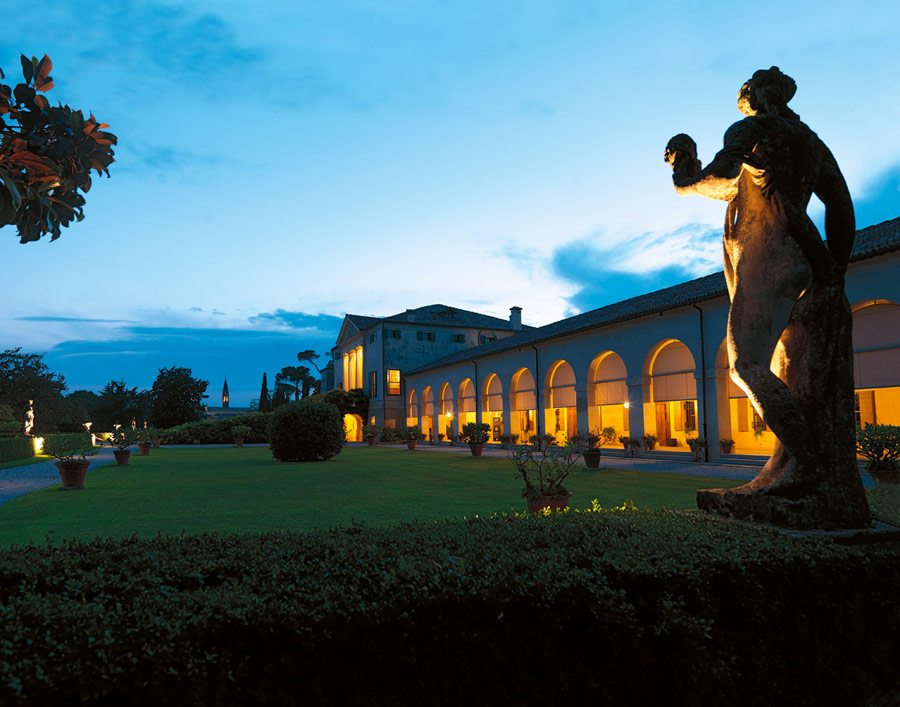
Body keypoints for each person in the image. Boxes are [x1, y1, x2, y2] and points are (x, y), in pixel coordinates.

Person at [664, 68, 866, 525]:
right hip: (803, 254)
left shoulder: (749, 128)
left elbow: (721, 175)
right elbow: (840, 204)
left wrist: (685, 166)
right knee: (789, 367)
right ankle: (790, 466)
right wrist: (834, 266)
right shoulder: (811, 142)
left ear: (754, 94)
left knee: (745, 363)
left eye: (745, 86)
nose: (741, 92)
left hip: (767, 252)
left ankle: (806, 462)